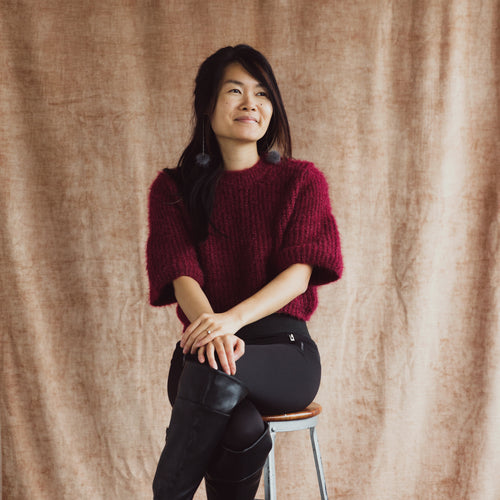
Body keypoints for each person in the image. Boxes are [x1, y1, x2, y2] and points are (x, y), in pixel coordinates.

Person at [146, 44, 343, 500]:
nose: (250, 104)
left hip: (284, 354)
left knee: (213, 374)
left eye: (262, 94)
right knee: (240, 427)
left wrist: (230, 322)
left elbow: (299, 274)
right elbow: (182, 276)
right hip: (206, 351)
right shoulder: (173, 189)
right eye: (234, 91)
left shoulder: (301, 181)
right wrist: (214, 333)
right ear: (207, 104)